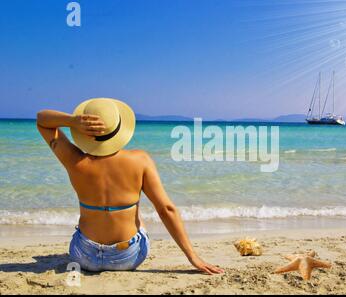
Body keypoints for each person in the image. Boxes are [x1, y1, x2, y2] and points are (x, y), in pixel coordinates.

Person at [36, 97, 223, 274]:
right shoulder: (140, 160)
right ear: (119, 129)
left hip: (84, 257)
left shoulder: (73, 160)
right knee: (137, 215)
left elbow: (42, 120)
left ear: (84, 133)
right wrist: (193, 257)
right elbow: (166, 209)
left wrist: (73, 121)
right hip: (128, 257)